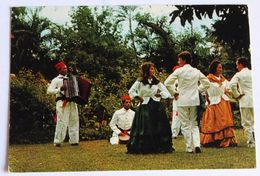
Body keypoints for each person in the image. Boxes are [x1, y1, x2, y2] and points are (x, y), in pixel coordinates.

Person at [164, 51, 210, 153]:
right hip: (194, 100)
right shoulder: (196, 71)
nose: (178, 61)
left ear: (184, 60)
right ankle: (197, 145)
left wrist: (174, 92)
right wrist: (198, 90)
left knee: (185, 124)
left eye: (179, 59)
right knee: (194, 123)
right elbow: (207, 83)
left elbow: (167, 83)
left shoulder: (179, 71)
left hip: (182, 100)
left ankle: (189, 147)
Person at [127, 61, 173, 154]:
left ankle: (159, 146)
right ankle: (145, 147)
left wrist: (160, 94)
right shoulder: (140, 81)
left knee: (159, 126)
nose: (153, 70)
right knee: (146, 127)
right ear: (146, 70)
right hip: (144, 105)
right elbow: (131, 91)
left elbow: (167, 93)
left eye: (153, 68)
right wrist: (137, 97)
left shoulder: (156, 82)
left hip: (156, 106)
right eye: (151, 69)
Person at [200, 60, 238, 147]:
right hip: (213, 102)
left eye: (221, 67)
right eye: (219, 67)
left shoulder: (223, 79)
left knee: (225, 121)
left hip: (223, 102)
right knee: (213, 122)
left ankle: (225, 140)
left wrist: (229, 91)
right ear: (214, 68)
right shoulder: (208, 79)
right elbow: (200, 89)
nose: (221, 69)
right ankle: (213, 140)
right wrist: (206, 96)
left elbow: (229, 87)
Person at [47, 61, 79, 147]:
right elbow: (49, 91)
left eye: (66, 67)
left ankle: (74, 141)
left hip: (72, 102)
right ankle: (57, 141)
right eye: (64, 68)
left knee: (74, 120)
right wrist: (59, 89)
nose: (66, 69)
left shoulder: (71, 78)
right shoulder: (56, 80)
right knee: (62, 122)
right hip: (62, 102)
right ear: (59, 70)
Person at [229, 57, 255, 148]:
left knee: (246, 123)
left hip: (245, 100)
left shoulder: (239, 74)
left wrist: (237, 95)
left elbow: (231, 85)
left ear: (240, 64)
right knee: (254, 121)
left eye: (237, 65)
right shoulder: (253, 72)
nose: (236, 67)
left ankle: (251, 142)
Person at [171, 65, 182, 139]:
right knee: (176, 117)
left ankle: (184, 131)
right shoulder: (173, 81)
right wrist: (174, 94)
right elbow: (171, 91)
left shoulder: (182, 79)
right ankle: (174, 133)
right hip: (176, 101)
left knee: (184, 117)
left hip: (184, 100)